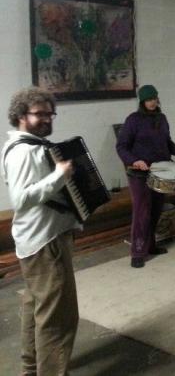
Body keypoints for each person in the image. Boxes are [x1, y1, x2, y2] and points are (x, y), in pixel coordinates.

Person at [1, 87, 79, 375]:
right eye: (39, 114)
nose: (47, 118)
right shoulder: (25, 151)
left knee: (36, 309)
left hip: (38, 240)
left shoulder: (27, 146)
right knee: (58, 319)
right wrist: (60, 175)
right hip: (46, 243)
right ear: (21, 115)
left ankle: (31, 368)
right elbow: (21, 199)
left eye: (50, 113)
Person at [116, 84, 175, 268]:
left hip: (161, 172)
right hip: (139, 174)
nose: (152, 102)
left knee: (156, 210)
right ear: (142, 102)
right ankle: (137, 252)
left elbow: (167, 142)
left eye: (154, 98)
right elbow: (121, 146)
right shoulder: (133, 120)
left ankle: (150, 246)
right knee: (142, 212)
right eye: (148, 100)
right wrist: (135, 161)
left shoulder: (161, 118)